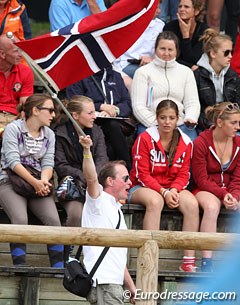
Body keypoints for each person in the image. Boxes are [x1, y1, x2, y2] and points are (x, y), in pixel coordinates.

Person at [129, 100, 199, 272]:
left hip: (171, 187)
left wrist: (174, 190)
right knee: (155, 201)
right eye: (163, 117)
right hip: (141, 187)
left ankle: (188, 262)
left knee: (192, 204)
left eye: (171, 118)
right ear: (156, 118)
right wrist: (163, 192)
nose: (167, 122)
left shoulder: (186, 141)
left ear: (178, 120)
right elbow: (141, 174)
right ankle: (149, 260)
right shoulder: (144, 139)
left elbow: (184, 174)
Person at [0, 93, 64, 267]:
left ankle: (58, 269)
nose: (53, 115)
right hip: (10, 181)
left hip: (37, 183)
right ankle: (19, 267)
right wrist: (35, 183)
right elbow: (13, 162)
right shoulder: (13, 129)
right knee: (20, 220)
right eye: (50, 110)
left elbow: (48, 163)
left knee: (53, 221)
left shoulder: (49, 134)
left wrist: (43, 181)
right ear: (35, 110)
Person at [79, 135, 135, 304]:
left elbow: (115, 254)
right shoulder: (99, 200)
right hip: (104, 283)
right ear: (110, 181)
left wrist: (130, 284)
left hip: (113, 283)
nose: (130, 183)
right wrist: (87, 151)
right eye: (125, 178)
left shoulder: (117, 210)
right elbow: (91, 178)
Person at [54, 95, 108, 260]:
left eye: (94, 112)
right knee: (77, 214)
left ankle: (98, 259)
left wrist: (92, 177)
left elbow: (102, 160)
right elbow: (61, 166)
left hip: (94, 185)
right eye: (90, 112)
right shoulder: (60, 133)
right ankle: (69, 258)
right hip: (73, 187)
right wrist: (83, 176)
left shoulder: (97, 131)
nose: (94, 116)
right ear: (75, 115)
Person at [192, 102, 240, 272]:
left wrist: (233, 196)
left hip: (230, 190)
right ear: (220, 122)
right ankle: (207, 262)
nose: (238, 127)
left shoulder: (239, 143)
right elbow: (201, 179)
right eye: (233, 123)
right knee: (212, 207)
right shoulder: (201, 142)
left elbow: (238, 178)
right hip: (205, 189)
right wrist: (223, 194)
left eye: (238, 123)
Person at [131, 31, 200, 140]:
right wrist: (158, 124)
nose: (166, 53)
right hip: (151, 124)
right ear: (155, 49)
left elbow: (192, 102)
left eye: (170, 49)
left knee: (193, 147)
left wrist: (190, 118)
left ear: (177, 51)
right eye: (162, 49)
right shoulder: (142, 72)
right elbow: (138, 106)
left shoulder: (186, 72)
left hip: (181, 124)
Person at [66, 65, 133, 170]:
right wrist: (100, 107)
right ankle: (127, 168)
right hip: (90, 120)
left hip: (116, 121)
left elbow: (127, 103)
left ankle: (121, 170)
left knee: (112, 128)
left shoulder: (116, 76)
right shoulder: (79, 77)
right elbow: (74, 101)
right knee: (110, 131)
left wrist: (115, 110)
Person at [194, 28, 240, 131]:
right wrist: (211, 125)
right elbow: (196, 107)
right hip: (204, 126)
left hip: (230, 125)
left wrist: (230, 124)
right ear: (213, 54)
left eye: (231, 52)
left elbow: (238, 104)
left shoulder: (233, 76)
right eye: (226, 52)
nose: (230, 56)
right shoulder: (197, 75)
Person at [113, 3, 165, 79]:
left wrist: (152, 60)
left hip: (152, 64)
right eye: (156, 8)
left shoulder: (160, 25)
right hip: (126, 64)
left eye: (159, 7)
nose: (159, 11)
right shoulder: (127, 23)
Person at [0, 34, 34, 129]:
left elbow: (25, 105)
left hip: (15, 119)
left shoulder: (25, 71)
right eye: (16, 51)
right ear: (2, 54)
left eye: (21, 50)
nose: (21, 54)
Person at [163, 0, 207, 69]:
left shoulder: (204, 31)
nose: (182, 9)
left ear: (196, 11)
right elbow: (167, 56)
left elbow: (193, 59)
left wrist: (185, 36)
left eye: (186, 7)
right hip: (171, 67)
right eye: (180, 6)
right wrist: (190, 66)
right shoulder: (170, 27)